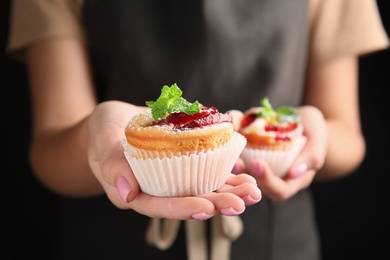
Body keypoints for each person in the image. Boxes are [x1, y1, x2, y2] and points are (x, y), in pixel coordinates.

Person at [6, 0, 389, 260]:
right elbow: (49, 149)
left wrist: (309, 134)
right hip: (111, 240)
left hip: (275, 244)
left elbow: (348, 138)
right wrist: (94, 134)